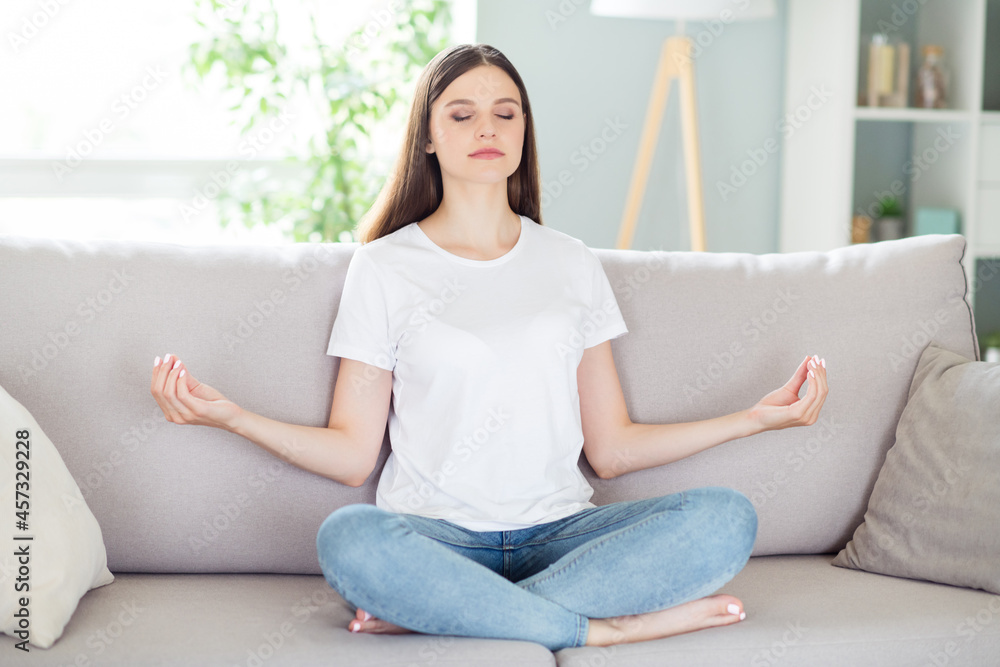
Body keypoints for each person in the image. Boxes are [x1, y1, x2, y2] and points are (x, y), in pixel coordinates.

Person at [149, 43, 829, 652]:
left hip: (562, 534)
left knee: (725, 519)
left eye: (506, 114)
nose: (487, 128)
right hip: (435, 538)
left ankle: (457, 613)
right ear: (428, 138)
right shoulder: (384, 267)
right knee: (349, 540)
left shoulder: (570, 261)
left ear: (524, 133)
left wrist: (755, 418)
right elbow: (352, 452)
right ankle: (603, 629)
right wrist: (227, 415)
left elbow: (613, 448)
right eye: (462, 113)